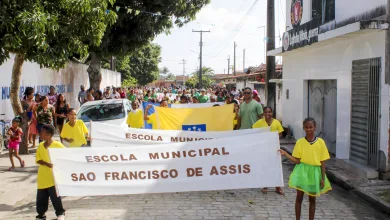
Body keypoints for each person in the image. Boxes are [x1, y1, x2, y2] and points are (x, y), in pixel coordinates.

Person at [279, 117, 332, 220]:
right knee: (299, 197)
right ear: (304, 128)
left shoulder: (320, 142)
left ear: (315, 128)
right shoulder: (300, 142)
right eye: (306, 127)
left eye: (311, 127)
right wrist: (285, 154)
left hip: (314, 173)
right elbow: (297, 160)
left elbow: (322, 162)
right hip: (302, 172)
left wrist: (322, 178)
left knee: (312, 199)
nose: (309, 129)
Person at [35, 124, 66, 220]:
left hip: (53, 177)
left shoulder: (57, 145)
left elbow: (66, 156)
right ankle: (41, 214)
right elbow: (38, 159)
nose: (40, 134)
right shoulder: (40, 146)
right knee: (41, 198)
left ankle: (60, 213)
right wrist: (47, 163)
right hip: (42, 177)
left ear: (48, 135)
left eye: (42, 132)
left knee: (55, 197)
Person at [252, 106, 284, 195]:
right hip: (264, 148)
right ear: (263, 113)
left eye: (269, 112)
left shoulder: (276, 122)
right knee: (265, 166)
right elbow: (254, 131)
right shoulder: (259, 122)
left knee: (276, 166)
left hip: (274, 148)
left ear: (272, 112)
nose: (267, 114)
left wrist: (274, 137)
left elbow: (280, 134)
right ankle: (265, 185)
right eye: (265, 112)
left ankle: (278, 187)